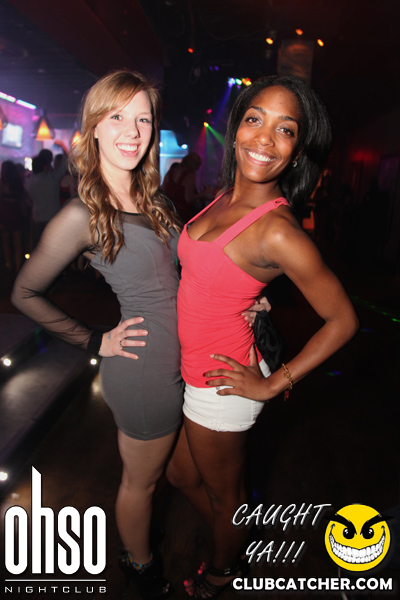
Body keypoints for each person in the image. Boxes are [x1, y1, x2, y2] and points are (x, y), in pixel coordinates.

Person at [166, 74, 359, 598]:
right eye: (255, 119)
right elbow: (214, 276)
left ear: (297, 152)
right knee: (181, 477)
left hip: (222, 386)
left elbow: (343, 320)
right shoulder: (223, 197)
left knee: (224, 497)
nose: (265, 139)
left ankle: (222, 570)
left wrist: (274, 385)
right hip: (193, 371)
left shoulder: (279, 231)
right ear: (236, 129)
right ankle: (235, 536)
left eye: (285, 129)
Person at [12, 70, 183, 599]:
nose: (132, 131)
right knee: (142, 483)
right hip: (145, 371)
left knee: (175, 474)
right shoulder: (81, 214)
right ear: (93, 127)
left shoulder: (155, 200)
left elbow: (182, 276)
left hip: (186, 362)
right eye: (117, 117)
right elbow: (24, 293)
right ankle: (140, 567)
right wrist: (95, 340)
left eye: (143, 120)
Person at [0, 160, 25, 275]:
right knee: (17, 242)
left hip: (5, 212)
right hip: (16, 211)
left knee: (5, 242)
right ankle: (18, 267)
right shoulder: (18, 182)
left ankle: (9, 264)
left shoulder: (2, 182)